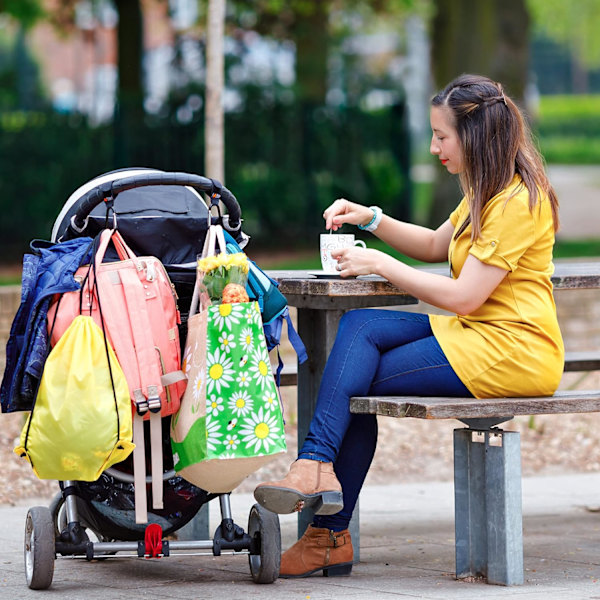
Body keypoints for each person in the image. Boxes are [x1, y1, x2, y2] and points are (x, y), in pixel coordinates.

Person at [253, 73, 564, 578]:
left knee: (352, 379)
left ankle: (324, 528)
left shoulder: (516, 202)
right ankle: (315, 475)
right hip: (479, 338)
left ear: (474, 136)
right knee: (360, 331)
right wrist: (369, 218)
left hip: (514, 352)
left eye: (442, 135)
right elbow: (435, 245)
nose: (434, 145)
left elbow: (464, 297)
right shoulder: (487, 191)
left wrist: (379, 264)